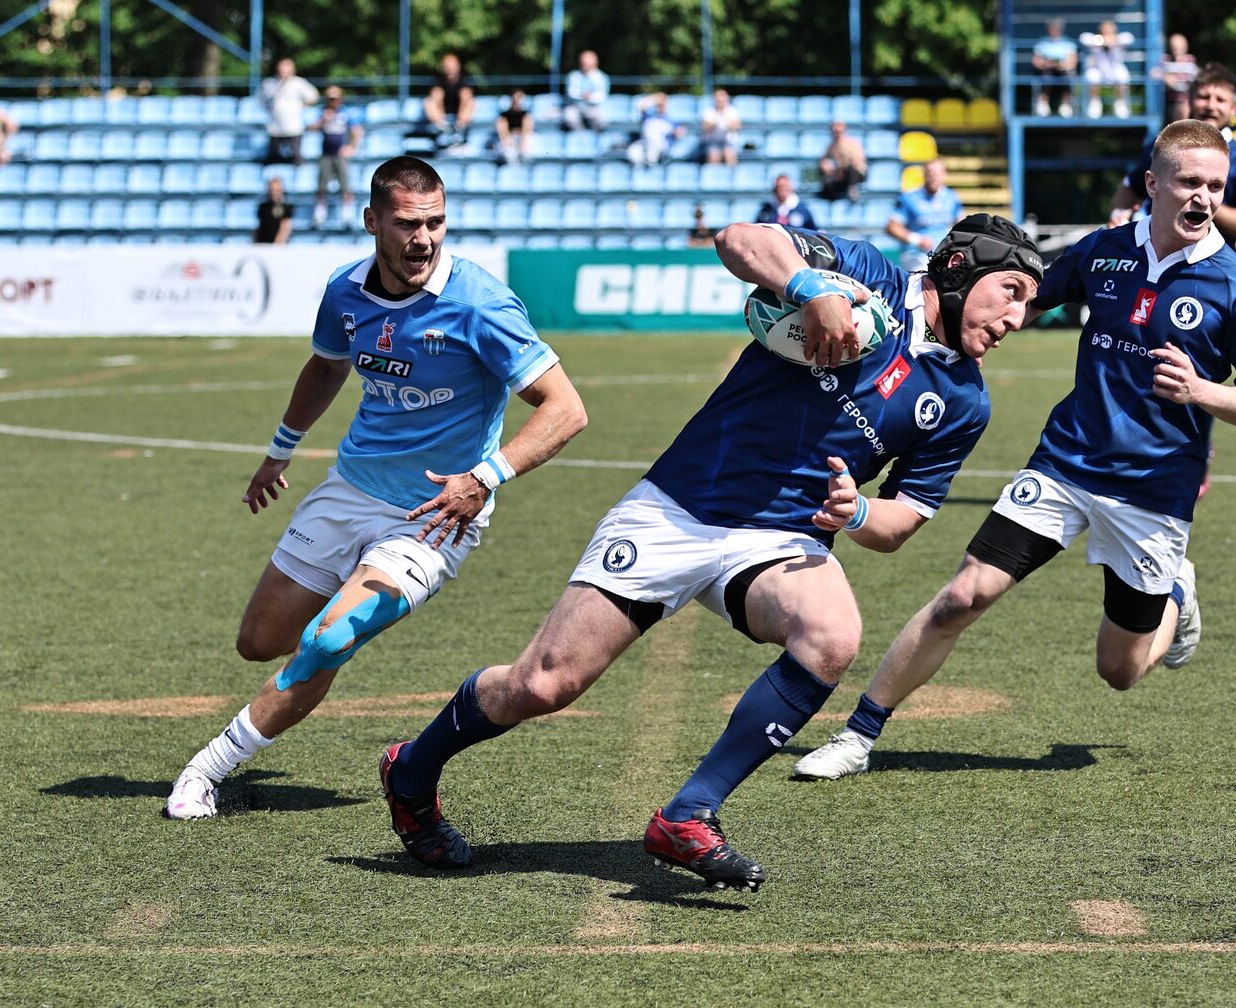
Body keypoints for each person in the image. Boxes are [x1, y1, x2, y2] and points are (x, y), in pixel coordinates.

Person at [378, 213, 1045, 887]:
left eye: (1029, 305)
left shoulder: (965, 402)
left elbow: (903, 521)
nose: (1017, 318)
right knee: (542, 684)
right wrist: (811, 287)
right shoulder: (867, 275)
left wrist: (860, 511)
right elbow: (738, 240)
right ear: (958, 269)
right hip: (679, 505)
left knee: (832, 635)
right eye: (1011, 292)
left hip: (783, 535)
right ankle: (412, 768)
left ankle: (689, 813)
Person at [794, 120, 1236, 783]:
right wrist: (932, 310)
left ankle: (1176, 590)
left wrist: (1202, 391)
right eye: (1189, 181)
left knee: (1119, 671)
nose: (1203, 197)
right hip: (1065, 463)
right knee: (962, 597)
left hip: (1154, 490)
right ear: (1152, 184)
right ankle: (858, 736)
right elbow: (1019, 300)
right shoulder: (1104, 251)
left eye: (1216, 186)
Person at [163, 156, 588, 820]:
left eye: (435, 223)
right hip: (349, 490)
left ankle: (205, 771)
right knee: (260, 641)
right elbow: (326, 366)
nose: (423, 239)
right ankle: (328, 636)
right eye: (406, 224)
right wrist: (280, 449)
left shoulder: (480, 302)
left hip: (434, 512)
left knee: (327, 640)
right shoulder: (345, 290)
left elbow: (566, 409)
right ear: (372, 222)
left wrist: (484, 478)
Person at [1109, 64, 1236, 249]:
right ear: (1190, 99)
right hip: (1152, 258)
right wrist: (1118, 216)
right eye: (1204, 97)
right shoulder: (1163, 146)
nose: (1211, 106)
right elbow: (1131, 187)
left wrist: (1201, 201)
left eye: (1220, 100)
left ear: (1234, 109)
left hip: (1208, 263)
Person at [886, 158, 963, 272]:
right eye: (929, 173)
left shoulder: (952, 197)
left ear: (944, 174)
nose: (933, 177)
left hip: (943, 254)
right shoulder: (910, 198)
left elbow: (960, 222)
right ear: (924, 175)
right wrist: (917, 239)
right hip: (917, 256)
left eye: (936, 174)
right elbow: (892, 227)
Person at [310, 86, 363, 228]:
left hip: (340, 155)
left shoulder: (346, 113)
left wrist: (351, 147)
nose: (332, 101)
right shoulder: (322, 112)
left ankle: (347, 215)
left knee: (345, 185)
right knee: (321, 186)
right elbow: (312, 128)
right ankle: (319, 214)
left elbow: (357, 131)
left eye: (335, 99)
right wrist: (323, 120)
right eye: (330, 99)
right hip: (326, 153)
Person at [261, 58, 319, 165]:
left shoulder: (299, 83)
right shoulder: (270, 83)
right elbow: (261, 99)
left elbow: (314, 96)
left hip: (293, 126)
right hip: (275, 126)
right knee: (273, 158)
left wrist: (302, 106)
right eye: (281, 68)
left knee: (296, 157)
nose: (282, 71)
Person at [1079, 20, 1134, 119]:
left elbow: (1129, 38)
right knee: (1092, 76)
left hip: (1114, 70)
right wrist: (1102, 41)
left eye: (1110, 30)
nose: (1108, 32)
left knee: (1122, 76)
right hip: (1099, 70)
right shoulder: (1095, 39)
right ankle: (1095, 103)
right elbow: (1083, 38)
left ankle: (1120, 104)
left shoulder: (1120, 39)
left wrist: (1113, 40)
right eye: (1105, 30)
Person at [423, 52, 477, 150]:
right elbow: (434, 98)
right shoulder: (438, 81)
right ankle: (443, 128)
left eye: (452, 65)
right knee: (430, 100)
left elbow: (468, 99)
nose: (450, 68)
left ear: (458, 66)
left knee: (467, 97)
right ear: (443, 67)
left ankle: (459, 130)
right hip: (442, 117)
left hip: (460, 117)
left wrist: (460, 120)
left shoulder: (464, 81)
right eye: (447, 66)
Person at [1030, 19, 1078, 116]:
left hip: (1063, 70)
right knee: (1047, 77)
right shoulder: (1042, 43)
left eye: (1056, 29)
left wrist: (1061, 65)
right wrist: (1045, 63)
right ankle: (1043, 103)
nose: (1054, 31)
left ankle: (1066, 104)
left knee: (1066, 77)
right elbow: (1035, 61)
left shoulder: (1068, 43)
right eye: (1052, 29)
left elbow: (1073, 62)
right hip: (1046, 70)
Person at [626, 93, 683, 167]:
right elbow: (641, 105)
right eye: (659, 105)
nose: (660, 107)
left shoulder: (671, 120)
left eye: (662, 105)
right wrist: (656, 99)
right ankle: (646, 165)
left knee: (654, 134)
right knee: (633, 152)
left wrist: (674, 132)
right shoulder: (650, 116)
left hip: (662, 145)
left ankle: (651, 161)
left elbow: (679, 133)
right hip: (645, 142)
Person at [817, 120, 868, 201]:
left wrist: (840, 169)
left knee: (851, 169)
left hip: (854, 174)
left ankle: (852, 189)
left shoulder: (853, 143)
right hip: (839, 175)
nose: (836, 130)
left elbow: (857, 162)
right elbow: (825, 161)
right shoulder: (831, 146)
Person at [563, 49, 610, 131]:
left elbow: (603, 96)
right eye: (584, 63)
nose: (586, 66)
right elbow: (570, 93)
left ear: (595, 63)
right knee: (569, 116)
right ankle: (580, 135)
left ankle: (594, 136)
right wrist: (582, 95)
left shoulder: (602, 77)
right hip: (575, 107)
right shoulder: (573, 76)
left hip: (594, 108)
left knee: (602, 119)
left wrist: (591, 97)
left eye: (588, 64)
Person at [1155, 34, 1198, 123]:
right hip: (1169, 101)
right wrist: (1164, 77)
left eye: (1179, 46)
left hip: (1186, 100)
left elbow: (1194, 79)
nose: (1176, 48)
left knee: (1184, 107)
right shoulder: (1166, 60)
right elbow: (1154, 73)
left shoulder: (1190, 61)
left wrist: (1176, 84)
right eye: (1174, 46)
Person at [699, 89, 743, 166]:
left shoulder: (732, 111)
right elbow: (705, 127)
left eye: (722, 99)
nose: (720, 101)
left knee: (729, 154)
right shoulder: (709, 111)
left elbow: (737, 126)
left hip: (729, 141)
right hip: (713, 141)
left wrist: (726, 121)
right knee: (714, 156)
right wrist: (715, 121)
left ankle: (731, 172)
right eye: (718, 99)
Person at [495, 89, 535, 166]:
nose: (517, 101)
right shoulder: (504, 115)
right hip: (510, 137)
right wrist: (507, 140)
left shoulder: (526, 114)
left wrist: (522, 141)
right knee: (508, 152)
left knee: (526, 150)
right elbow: (502, 130)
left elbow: (527, 129)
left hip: (522, 137)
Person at [253, 176, 294, 246]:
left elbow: (285, 228)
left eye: (276, 190)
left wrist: (276, 246)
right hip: (263, 244)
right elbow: (260, 227)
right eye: (272, 189)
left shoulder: (287, 207)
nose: (274, 192)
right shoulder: (263, 207)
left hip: (278, 246)